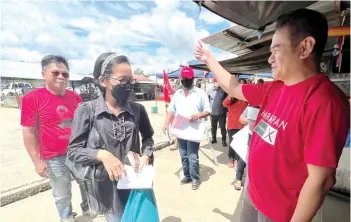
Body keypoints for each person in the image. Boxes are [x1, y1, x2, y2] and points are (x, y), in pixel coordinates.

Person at [194, 8, 350, 222]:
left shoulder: (325, 102)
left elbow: (321, 179)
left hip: (279, 212)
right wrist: (209, 58)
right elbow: (235, 87)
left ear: (305, 47)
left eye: (276, 49)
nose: (270, 59)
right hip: (253, 192)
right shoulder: (274, 88)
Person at [66, 53, 155, 222]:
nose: (128, 85)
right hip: (108, 190)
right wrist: (102, 155)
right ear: (103, 81)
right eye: (122, 80)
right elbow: (73, 151)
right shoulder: (87, 110)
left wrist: (146, 155)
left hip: (135, 185)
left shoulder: (138, 110)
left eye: (131, 80)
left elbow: (148, 138)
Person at [21, 55, 88, 222]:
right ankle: (66, 218)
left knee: (86, 181)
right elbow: (29, 132)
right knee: (62, 192)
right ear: (44, 74)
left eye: (65, 74)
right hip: (53, 157)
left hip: (78, 152)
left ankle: (89, 209)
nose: (61, 77)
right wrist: (37, 161)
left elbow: (84, 125)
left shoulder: (76, 98)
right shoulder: (32, 98)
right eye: (55, 73)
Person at [162, 67, 211, 190]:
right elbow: (171, 110)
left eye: (188, 79)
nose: (185, 80)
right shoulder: (177, 94)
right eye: (183, 78)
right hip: (180, 129)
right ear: (180, 79)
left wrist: (199, 115)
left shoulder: (200, 93)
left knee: (192, 156)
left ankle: (195, 178)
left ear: (193, 79)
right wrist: (165, 123)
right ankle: (187, 175)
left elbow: (208, 110)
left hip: (194, 130)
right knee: (183, 154)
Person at [222, 78, 248, 169]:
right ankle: (231, 159)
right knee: (232, 143)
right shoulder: (232, 98)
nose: (241, 88)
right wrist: (232, 93)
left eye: (243, 85)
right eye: (239, 85)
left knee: (240, 144)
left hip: (243, 126)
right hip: (232, 125)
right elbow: (224, 104)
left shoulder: (247, 98)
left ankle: (237, 160)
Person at [207, 78, 228, 146]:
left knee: (222, 127)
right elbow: (207, 101)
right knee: (213, 127)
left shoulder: (224, 91)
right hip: (212, 113)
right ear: (214, 82)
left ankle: (224, 141)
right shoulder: (209, 91)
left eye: (219, 82)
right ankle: (214, 138)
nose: (217, 83)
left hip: (221, 113)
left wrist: (227, 111)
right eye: (216, 82)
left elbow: (227, 101)